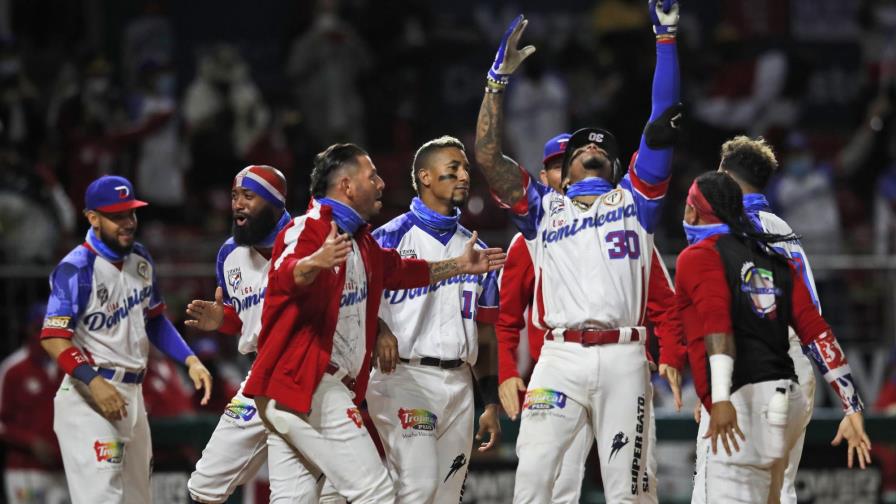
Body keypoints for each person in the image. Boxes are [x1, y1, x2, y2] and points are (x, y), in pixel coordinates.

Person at [473, 3, 682, 502]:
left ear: (613, 164)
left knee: (629, 490)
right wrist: (496, 82)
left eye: (602, 148)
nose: (593, 149)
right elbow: (486, 157)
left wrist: (667, 38)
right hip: (558, 358)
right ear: (563, 173)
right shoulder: (544, 211)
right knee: (533, 480)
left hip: (624, 358)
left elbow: (663, 121)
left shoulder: (636, 199)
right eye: (581, 149)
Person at [242, 143, 506, 503]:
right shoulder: (311, 227)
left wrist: (459, 266)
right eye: (372, 176)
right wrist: (314, 263)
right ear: (348, 186)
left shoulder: (363, 243)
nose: (382, 184)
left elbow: (406, 271)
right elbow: (285, 272)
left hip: (330, 386)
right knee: (379, 492)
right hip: (307, 384)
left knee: (310, 497)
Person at [495, 133, 686, 503]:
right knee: (550, 482)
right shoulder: (533, 233)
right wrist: (507, 371)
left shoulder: (627, 223)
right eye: (554, 166)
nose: (557, 173)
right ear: (551, 175)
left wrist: (669, 356)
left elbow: (663, 301)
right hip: (556, 367)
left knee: (631, 482)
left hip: (621, 359)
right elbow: (507, 316)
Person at [675, 171, 872, 503]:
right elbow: (817, 331)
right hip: (786, 393)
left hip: (738, 393)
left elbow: (717, 327)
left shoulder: (697, 256)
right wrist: (852, 406)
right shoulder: (772, 258)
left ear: (694, 212)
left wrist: (719, 397)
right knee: (776, 495)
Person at [39, 175, 212, 504]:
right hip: (89, 395)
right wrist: (92, 382)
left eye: (130, 214)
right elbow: (53, 337)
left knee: (138, 499)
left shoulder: (141, 259)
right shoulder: (76, 268)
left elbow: (156, 318)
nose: (128, 222)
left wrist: (189, 359)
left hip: (133, 394)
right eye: (116, 216)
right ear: (93, 218)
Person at [185, 165, 333, 503]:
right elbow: (244, 319)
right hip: (259, 375)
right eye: (235, 196)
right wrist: (220, 319)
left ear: (275, 202)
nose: (237, 204)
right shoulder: (228, 255)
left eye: (248, 196)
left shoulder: (305, 240)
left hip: (304, 373)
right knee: (204, 486)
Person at [367, 135, 502, 503]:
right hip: (404, 377)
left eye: (466, 169)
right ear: (425, 177)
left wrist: (489, 402)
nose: (463, 176)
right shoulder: (386, 239)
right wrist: (379, 329)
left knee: (445, 496)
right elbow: (352, 304)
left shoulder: (477, 252)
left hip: (459, 384)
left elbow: (485, 332)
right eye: (453, 168)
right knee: (419, 485)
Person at [689, 136, 820, 503]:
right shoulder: (783, 228)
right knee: (778, 489)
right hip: (795, 363)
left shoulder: (726, 225)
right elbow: (812, 307)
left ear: (725, 176)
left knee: (715, 489)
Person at [0, 304, 68, 504]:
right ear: (30, 330)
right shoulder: (13, 369)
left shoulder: (68, 368)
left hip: (63, 469)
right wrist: (30, 441)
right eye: (41, 328)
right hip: (25, 470)